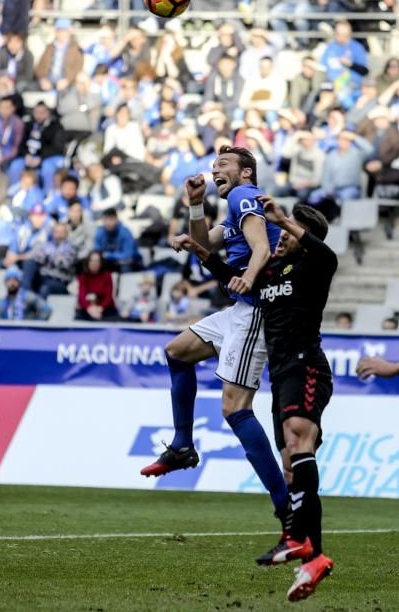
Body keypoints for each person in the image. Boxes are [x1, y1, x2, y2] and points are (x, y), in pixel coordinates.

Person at [182, 199, 337, 602]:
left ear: (305, 236)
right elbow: (236, 278)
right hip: (282, 373)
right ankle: (313, 558)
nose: (281, 235)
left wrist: (285, 218)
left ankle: (296, 538)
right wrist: (204, 254)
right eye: (282, 229)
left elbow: (326, 251)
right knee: (291, 465)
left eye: (290, 231)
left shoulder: (315, 266)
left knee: (297, 437)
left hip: (309, 367)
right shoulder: (270, 273)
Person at [140, 146, 288, 530]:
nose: (215, 170)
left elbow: (263, 249)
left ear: (247, 173)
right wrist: (194, 204)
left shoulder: (244, 196)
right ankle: (183, 446)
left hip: (256, 310)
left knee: (235, 410)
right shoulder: (235, 207)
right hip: (240, 309)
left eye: (224, 165)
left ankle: (286, 507)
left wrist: (250, 276)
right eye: (213, 165)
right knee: (177, 352)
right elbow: (203, 242)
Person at [94, 207, 142, 272]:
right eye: (105, 220)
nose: (108, 223)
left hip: (130, 263)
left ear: (116, 220)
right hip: (109, 263)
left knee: (125, 264)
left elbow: (128, 255)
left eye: (110, 219)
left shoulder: (125, 232)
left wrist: (109, 255)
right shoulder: (100, 232)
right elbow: (98, 252)